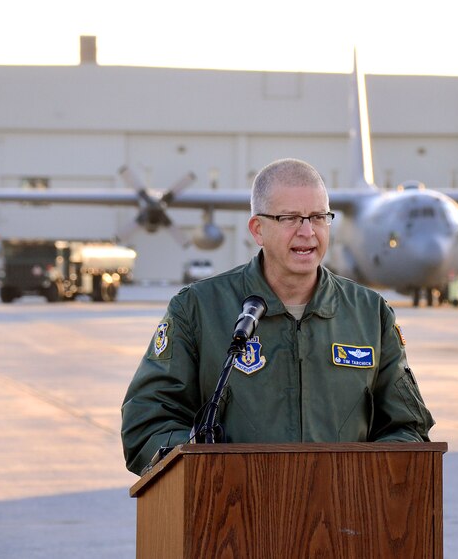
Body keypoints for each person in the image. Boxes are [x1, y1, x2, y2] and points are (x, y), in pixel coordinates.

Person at [120, 158, 435, 475]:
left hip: (344, 514)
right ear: (258, 229)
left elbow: (407, 426)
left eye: (318, 217)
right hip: (231, 511)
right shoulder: (198, 309)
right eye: (290, 218)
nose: (307, 232)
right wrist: (209, 468)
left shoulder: (369, 313)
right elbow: (148, 421)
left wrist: (362, 478)